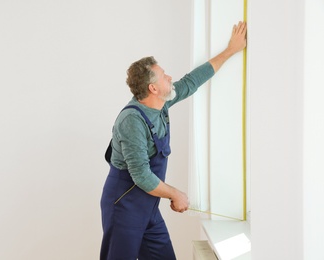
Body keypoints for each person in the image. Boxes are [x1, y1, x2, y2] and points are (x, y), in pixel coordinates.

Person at [100, 21, 247, 260]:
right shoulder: (132, 121)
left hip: (148, 208)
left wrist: (231, 50)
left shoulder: (161, 102)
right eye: (163, 76)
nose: (170, 77)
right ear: (152, 88)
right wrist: (175, 194)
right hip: (124, 206)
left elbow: (191, 82)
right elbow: (142, 176)